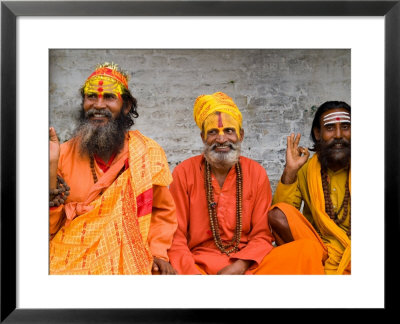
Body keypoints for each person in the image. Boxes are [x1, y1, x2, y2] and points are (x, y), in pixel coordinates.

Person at [167, 92, 326, 275]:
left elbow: (262, 235)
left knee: (307, 250)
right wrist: (192, 276)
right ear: (203, 137)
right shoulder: (184, 172)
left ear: (240, 135)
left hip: (249, 266)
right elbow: (175, 236)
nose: (221, 139)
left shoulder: (256, 173)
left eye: (229, 131)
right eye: (213, 132)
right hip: (198, 265)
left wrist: (239, 266)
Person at [49, 62, 177, 275]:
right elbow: (50, 228)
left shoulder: (147, 152)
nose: (98, 105)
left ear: (125, 106)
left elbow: (161, 211)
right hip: (70, 256)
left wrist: (159, 253)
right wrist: (50, 166)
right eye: (92, 97)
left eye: (109, 97)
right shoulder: (62, 154)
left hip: (131, 254)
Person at [269, 101, 351, 275]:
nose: (338, 135)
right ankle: (311, 262)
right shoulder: (306, 169)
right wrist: (290, 171)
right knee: (278, 214)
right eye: (329, 128)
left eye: (345, 127)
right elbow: (283, 214)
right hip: (319, 247)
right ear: (317, 133)